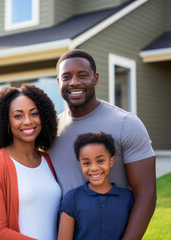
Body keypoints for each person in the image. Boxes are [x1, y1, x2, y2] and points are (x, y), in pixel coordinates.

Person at [49, 49, 156, 240]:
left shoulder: (126, 123)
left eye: (83, 75)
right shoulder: (50, 132)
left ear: (96, 78)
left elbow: (146, 194)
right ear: (58, 82)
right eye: (66, 77)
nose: (74, 82)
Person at [0, 84, 61, 240]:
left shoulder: (48, 160)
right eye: (18, 116)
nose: (28, 121)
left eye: (34, 114)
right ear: (7, 122)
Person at [58, 131, 134, 240]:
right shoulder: (72, 198)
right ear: (80, 165)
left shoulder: (128, 198)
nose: (94, 168)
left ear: (111, 161)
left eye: (100, 161)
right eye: (87, 163)